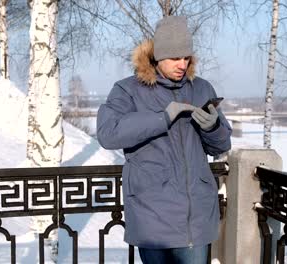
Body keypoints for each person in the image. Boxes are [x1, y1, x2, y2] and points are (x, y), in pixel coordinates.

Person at [96, 16, 232, 263]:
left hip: (195, 219)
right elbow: (108, 133)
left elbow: (222, 146)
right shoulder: (128, 90)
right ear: (158, 57)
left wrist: (212, 127)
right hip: (152, 218)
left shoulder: (201, 88)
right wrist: (163, 117)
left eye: (186, 57)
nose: (182, 64)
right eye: (174, 58)